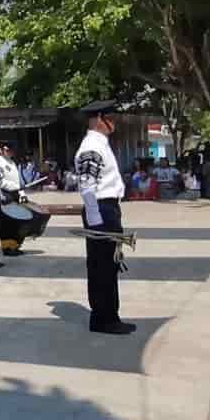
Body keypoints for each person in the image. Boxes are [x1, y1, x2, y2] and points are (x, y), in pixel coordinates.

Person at [74, 101, 132, 335]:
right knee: (101, 265)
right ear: (99, 119)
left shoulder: (101, 144)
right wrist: (95, 220)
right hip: (100, 210)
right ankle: (102, 319)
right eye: (110, 117)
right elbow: (87, 186)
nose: (114, 121)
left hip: (108, 209)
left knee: (110, 264)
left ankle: (111, 315)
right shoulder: (91, 146)